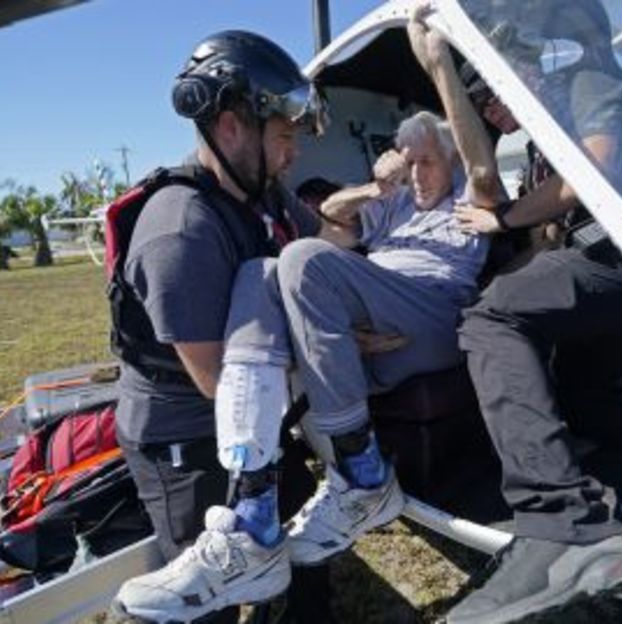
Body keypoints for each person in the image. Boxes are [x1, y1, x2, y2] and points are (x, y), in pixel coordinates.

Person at [114, 108, 497, 622]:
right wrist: (377, 188)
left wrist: (436, 62)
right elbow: (334, 218)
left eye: (427, 162)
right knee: (263, 270)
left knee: (300, 258)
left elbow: (483, 174)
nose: (418, 174)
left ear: (452, 162)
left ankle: (361, 476)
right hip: (331, 347)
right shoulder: (397, 201)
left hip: (428, 316)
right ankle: (253, 522)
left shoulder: (467, 201)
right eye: (410, 162)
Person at [408, 2, 622, 622]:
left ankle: (561, 522)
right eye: (481, 108)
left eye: (490, 94)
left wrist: (504, 219)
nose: (493, 113)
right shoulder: (543, 143)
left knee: (491, 320)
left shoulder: (587, 81)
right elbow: (539, 224)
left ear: (518, 69)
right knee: (574, 391)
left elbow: (588, 171)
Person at [108, 30, 324, 621]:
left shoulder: (265, 197)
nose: (293, 154)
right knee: (210, 597)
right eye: (283, 137)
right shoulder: (182, 230)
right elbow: (219, 381)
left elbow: (325, 243)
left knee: (303, 546)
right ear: (230, 127)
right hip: (189, 434)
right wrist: (345, 346)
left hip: (254, 416)